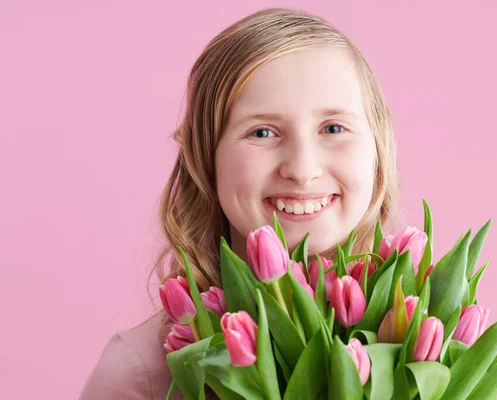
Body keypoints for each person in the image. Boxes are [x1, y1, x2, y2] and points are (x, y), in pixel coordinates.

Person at [79, 6, 403, 400]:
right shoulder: (141, 375)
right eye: (262, 132)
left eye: (333, 127)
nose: (302, 170)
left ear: (378, 148)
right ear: (206, 158)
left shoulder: (421, 347)